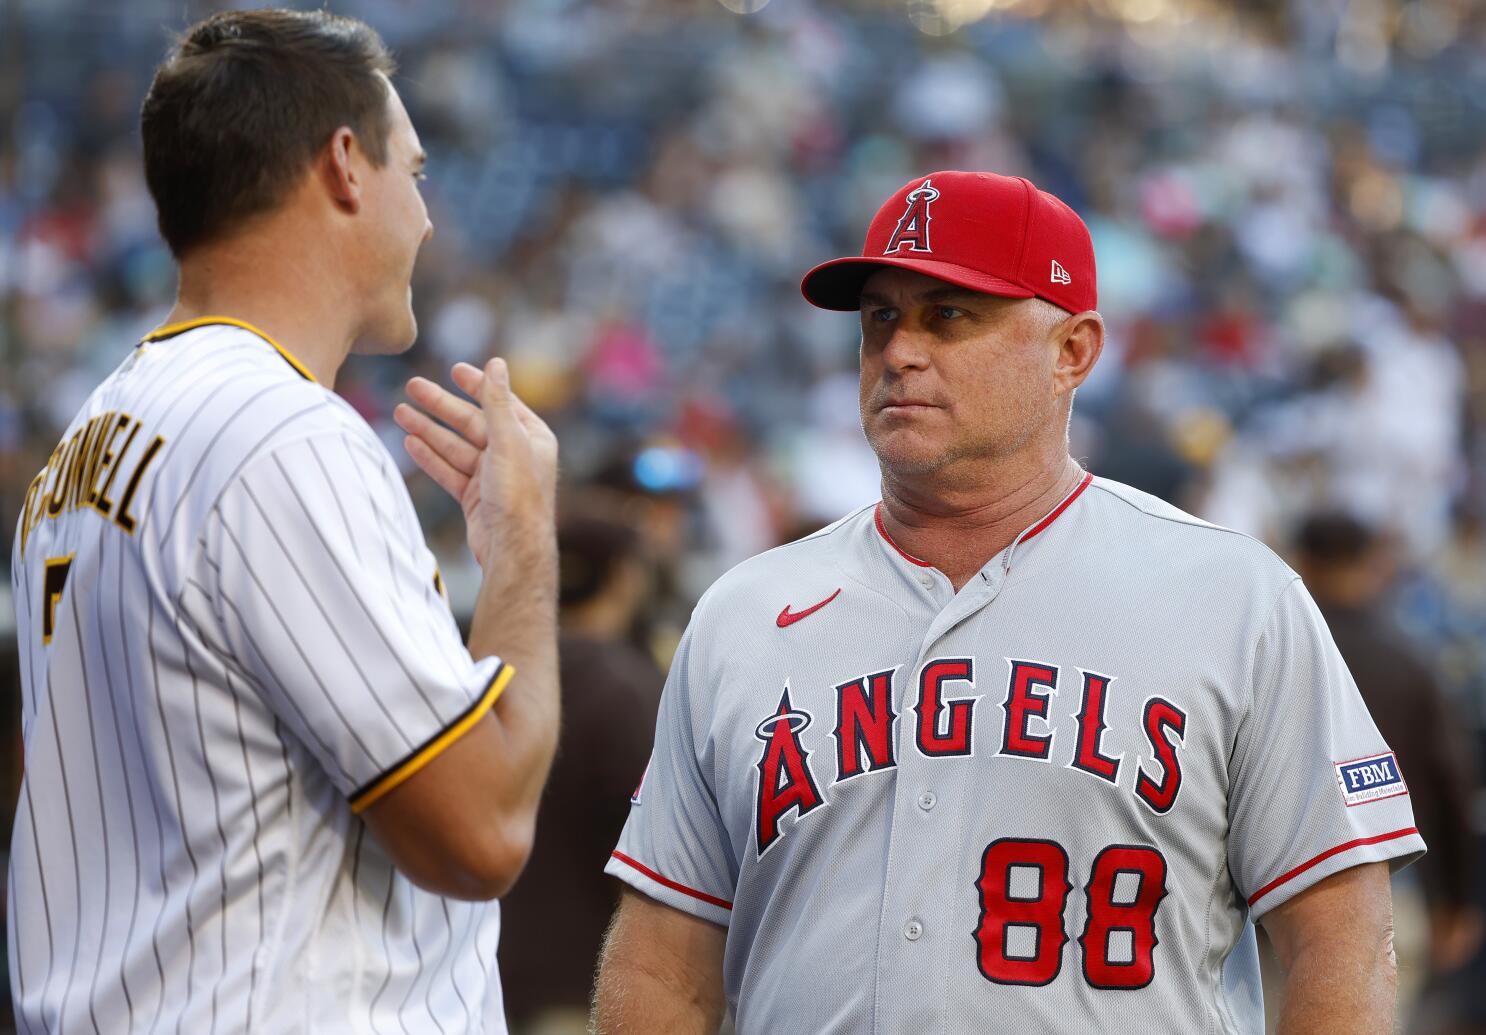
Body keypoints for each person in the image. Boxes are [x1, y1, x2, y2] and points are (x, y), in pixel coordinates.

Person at [583, 171, 1424, 1032]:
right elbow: (661, 963)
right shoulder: (745, 611)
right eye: (881, 317)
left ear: (1074, 351)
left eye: (949, 314)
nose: (900, 351)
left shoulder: (1233, 597)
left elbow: (1342, 945)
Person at [8, 10, 559, 1033]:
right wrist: (524, 546)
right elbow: (480, 831)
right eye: (416, 172)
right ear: (346, 166)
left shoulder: (89, 434)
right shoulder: (281, 434)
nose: (427, 218)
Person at [1290, 511, 1481, 1022]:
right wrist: (1457, 901)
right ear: (1373, 564)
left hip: (1275, 891)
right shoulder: (1410, 661)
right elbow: (1450, 788)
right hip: (1394, 891)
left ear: (1300, 560)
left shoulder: (1274, 653)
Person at [499, 515, 664, 1034]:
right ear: (623, 576)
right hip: (581, 986)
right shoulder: (626, 686)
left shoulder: (486, 669)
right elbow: (656, 853)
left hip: (479, 973)